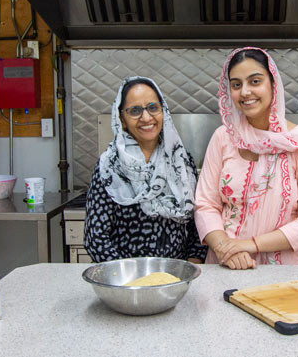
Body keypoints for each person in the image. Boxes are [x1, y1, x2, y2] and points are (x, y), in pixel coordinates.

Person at [194, 47, 298, 269]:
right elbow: (206, 204)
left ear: (274, 85)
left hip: (282, 273)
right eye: (236, 85)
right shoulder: (223, 137)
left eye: (255, 81)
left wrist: (249, 245)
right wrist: (225, 248)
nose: (245, 92)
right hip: (225, 265)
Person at [85, 76, 207, 263]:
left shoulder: (181, 161)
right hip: (125, 282)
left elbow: (197, 225)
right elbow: (96, 238)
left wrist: (190, 267)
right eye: (135, 111)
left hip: (176, 279)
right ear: (122, 119)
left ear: (163, 111)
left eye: (153, 107)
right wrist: (128, 279)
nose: (146, 117)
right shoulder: (109, 166)